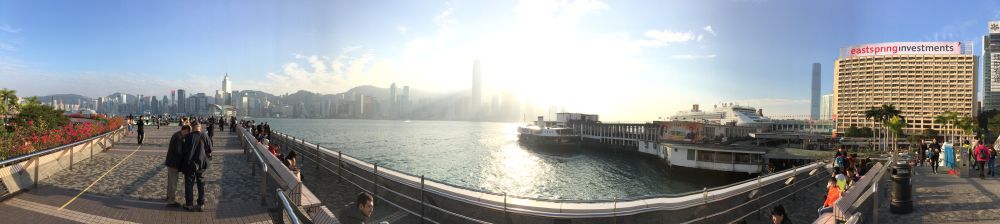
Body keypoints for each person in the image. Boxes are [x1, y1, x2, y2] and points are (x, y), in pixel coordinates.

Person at [182, 122, 213, 212]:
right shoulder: (205, 136)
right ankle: (201, 204)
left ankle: (189, 204)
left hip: (190, 164)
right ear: (200, 128)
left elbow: (184, 150)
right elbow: (210, 149)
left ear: (193, 128)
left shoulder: (188, 137)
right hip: (201, 163)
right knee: (201, 183)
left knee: (189, 184)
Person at [165, 125, 190, 207]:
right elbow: (179, 152)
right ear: (185, 130)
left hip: (171, 162)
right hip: (173, 163)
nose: (187, 135)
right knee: (173, 182)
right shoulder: (179, 137)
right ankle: (171, 200)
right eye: (188, 133)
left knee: (170, 181)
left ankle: (169, 196)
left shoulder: (177, 135)